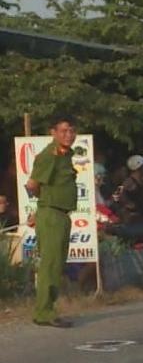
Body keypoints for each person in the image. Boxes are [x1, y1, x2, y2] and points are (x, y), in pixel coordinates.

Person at [25, 115, 78, 328]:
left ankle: (47, 309)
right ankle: (44, 312)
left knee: (56, 265)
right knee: (50, 265)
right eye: (64, 131)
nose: (69, 135)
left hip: (62, 214)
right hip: (51, 214)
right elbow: (32, 184)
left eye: (72, 131)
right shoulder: (49, 155)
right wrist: (45, 203)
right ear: (53, 133)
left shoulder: (66, 155)